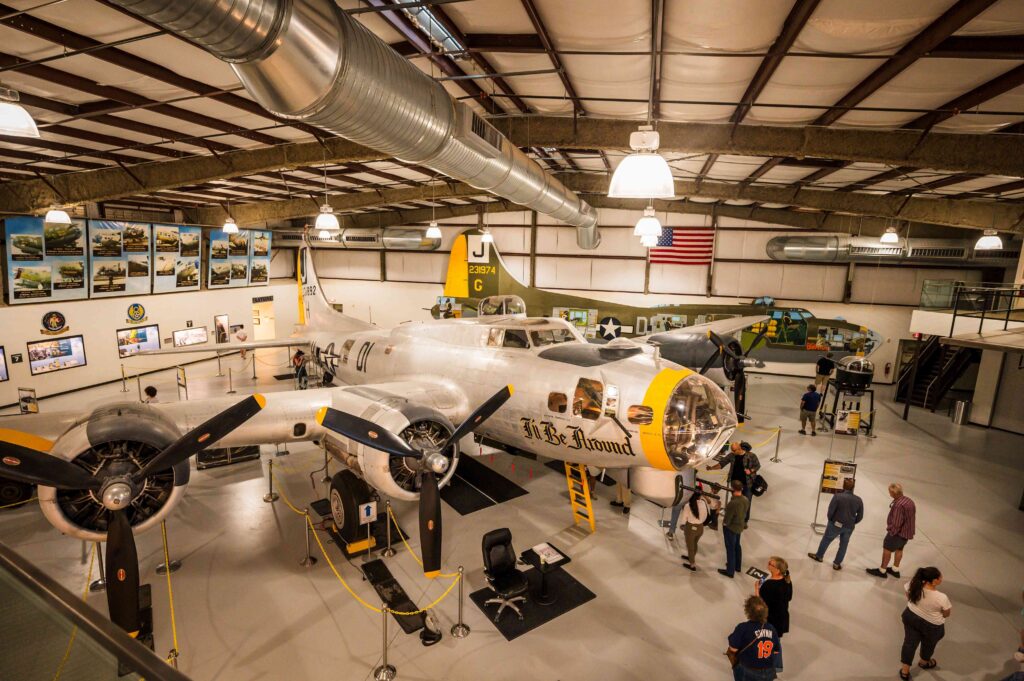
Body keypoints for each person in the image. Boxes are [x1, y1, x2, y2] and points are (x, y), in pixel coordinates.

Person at [899, 567, 951, 680]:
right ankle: (924, 662)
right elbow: (946, 614)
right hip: (932, 626)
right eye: (939, 577)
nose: (941, 578)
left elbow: (908, 595)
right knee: (929, 644)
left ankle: (904, 671)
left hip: (910, 617)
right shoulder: (941, 597)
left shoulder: (913, 584)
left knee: (909, 643)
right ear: (933, 581)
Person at [808, 477, 863, 570]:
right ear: (853, 487)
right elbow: (860, 516)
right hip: (849, 527)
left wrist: (831, 521)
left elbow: (830, 511)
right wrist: (852, 522)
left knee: (826, 539)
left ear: (843, 486)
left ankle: (819, 556)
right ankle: (837, 564)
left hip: (835, 524)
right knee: (844, 545)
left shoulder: (838, 496)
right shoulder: (858, 500)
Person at [726, 595, 782, 680]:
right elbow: (776, 651)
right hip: (769, 672)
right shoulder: (771, 628)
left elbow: (733, 649)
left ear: (748, 611)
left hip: (750, 671)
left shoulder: (743, 628)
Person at [868, 483, 917, 579]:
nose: (889, 494)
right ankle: (895, 569)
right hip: (907, 533)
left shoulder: (898, 505)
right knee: (900, 549)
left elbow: (897, 523)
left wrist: (891, 533)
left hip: (897, 534)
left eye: (890, 492)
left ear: (894, 493)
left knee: (887, 549)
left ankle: (882, 570)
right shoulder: (909, 500)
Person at [707, 441, 760, 523]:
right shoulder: (732, 456)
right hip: (735, 484)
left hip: (748, 484)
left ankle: (744, 520)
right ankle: (736, 517)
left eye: (734, 450)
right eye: (732, 450)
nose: (732, 452)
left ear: (739, 449)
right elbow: (721, 464)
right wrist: (711, 468)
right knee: (735, 501)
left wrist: (750, 470)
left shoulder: (751, 455)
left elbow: (757, 465)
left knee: (746, 502)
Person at [756, 557, 792, 640]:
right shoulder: (787, 580)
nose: (768, 564)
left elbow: (759, 604)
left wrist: (756, 588)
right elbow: (789, 597)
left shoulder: (769, 585)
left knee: (765, 639)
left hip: (770, 619)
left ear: (778, 570)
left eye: (770, 564)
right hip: (781, 618)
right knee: (774, 639)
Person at [719, 480, 749, 578]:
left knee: (730, 549)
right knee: (737, 545)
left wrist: (724, 524)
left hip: (731, 528)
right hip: (739, 526)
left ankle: (730, 571)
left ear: (732, 489)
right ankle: (737, 566)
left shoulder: (733, 503)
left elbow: (728, 518)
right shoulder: (745, 499)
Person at [679, 489, 709, 571]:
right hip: (700, 528)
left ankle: (692, 564)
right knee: (695, 543)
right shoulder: (703, 503)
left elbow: (684, 517)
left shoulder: (688, 506)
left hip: (690, 528)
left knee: (690, 547)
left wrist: (682, 525)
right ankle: (690, 557)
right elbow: (706, 515)